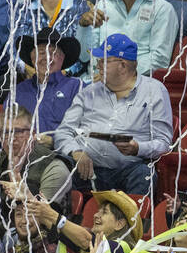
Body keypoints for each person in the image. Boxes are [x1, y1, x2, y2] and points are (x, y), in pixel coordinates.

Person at [53, 34, 173, 194]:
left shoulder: (154, 91)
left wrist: (138, 148)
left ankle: (135, 219)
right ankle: (53, 216)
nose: (97, 65)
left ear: (122, 66)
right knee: (58, 168)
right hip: (86, 167)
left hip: (128, 169)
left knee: (145, 175)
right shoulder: (88, 92)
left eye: (103, 61)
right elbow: (63, 132)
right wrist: (75, 151)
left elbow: (164, 142)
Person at [12, 31, 82, 138]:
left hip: (61, 153)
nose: (47, 58)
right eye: (41, 53)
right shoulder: (18, 91)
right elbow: (7, 128)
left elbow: (86, 128)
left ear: (62, 58)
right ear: (32, 59)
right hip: (23, 152)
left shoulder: (77, 87)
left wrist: (55, 142)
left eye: (53, 53)